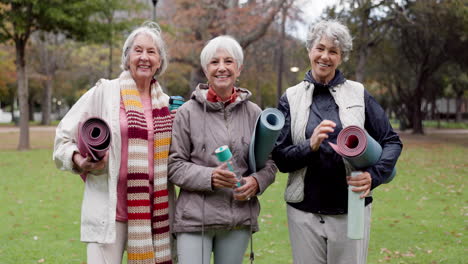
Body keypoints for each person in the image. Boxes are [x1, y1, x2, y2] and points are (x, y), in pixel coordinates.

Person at [272, 20, 403, 264]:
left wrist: (374, 176)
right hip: (304, 214)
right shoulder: (290, 97)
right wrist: (309, 145)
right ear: (309, 50)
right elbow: (280, 158)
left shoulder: (358, 93)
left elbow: (391, 141)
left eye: (333, 51)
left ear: (341, 57)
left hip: (351, 210)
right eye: (320, 48)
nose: (325, 56)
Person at [53, 22, 175, 264]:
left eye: (151, 52)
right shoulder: (104, 93)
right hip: (108, 213)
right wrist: (80, 161)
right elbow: (62, 140)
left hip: (154, 213)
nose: (144, 57)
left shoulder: (168, 105)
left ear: (160, 61)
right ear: (127, 57)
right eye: (137, 50)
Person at [168, 35, 277, 264]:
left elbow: (269, 163)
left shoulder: (254, 113)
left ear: (239, 68)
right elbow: (175, 165)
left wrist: (257, 182)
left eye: (228, 61)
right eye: (214, 62)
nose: (222, 68)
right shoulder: (187, 112)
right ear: (205, 70)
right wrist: (211, 177)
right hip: (194, 219)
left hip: (237, 219)